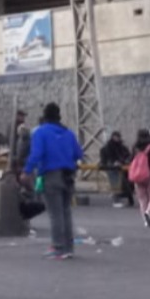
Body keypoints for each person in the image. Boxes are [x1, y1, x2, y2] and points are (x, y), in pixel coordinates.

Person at [23, 103, 85, 260]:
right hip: (68, 175)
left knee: (55, 214)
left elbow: (37, 153)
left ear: (45, 116)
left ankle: (58, 247)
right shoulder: (68, 133)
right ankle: (69, 248)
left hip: (51, 175)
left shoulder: (41, 132)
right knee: (66, 212)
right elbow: (79, 153)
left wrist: (27, 171)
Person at [99, 131, 132, 208]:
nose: (117, 139)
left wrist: (123, 161)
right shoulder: (109, 147)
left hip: (120, 167)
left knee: (121, 184)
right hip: (112, 167)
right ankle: (116, 200)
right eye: (115, 137)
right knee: (116, 184)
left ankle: (119, 198)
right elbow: (107, 156)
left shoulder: (121, 146)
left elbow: (127, 155)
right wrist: (114, 162)